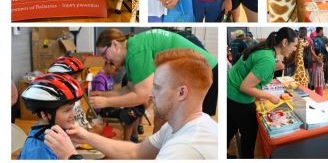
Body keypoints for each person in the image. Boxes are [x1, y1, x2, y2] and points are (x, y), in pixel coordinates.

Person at [44, 49, 218, 159]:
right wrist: (86, 136)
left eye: (157, 87)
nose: (151, 94)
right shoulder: (179, 125)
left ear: (182, 93)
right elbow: (135, 152)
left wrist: (70, 157)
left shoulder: (184, 150)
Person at [90, 28, 218, 131]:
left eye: (104, 54)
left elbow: (142, 96)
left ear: (114, 44)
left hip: (205, 72)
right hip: (197, 72)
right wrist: (103, 95)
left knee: (194, 127)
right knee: (165, 117)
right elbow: (129, 89)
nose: (105, 60)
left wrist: (106, 102)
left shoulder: (136, 52)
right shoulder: (132, 50)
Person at [227, 27, 297, 158]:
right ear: (285, 42)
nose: (294, 49)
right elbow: (245, 87)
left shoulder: (265, 50)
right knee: (249, 135)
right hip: (238, 98)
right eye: (294, 45)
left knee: (229, 130)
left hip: (229, 92)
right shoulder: (267, 59)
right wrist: (270, 96)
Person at [18, 73, 83, 159]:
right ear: (45, 114)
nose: (73, 115)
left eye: (72, 109)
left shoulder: (49, 134)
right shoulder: (38, 150)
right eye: (67, 110)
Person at [48, 56, 91, 130]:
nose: (79, 81)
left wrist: (90, 127)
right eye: (75, 78)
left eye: (79, 77)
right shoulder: (62, 104)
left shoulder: (75, 98)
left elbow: (81, 120)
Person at [312, 27, 326, 96]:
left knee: (318, 77)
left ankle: (318, 95)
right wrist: (319, 60)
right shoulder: (317, 39)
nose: (323, 32)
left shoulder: (318, 39)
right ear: (320, 31)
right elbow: (317, 50)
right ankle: (319, 96)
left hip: (319, 61)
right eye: (322, 31)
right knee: (318, 77)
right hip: (318, 62)